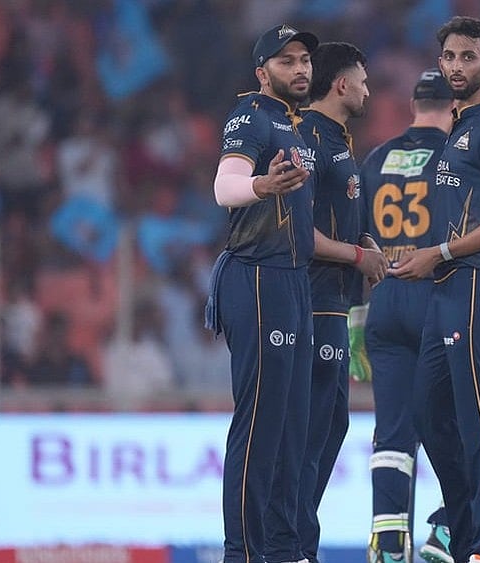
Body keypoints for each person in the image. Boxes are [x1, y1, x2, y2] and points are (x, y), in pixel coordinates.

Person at [390, 16, 480, 563]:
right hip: (448, 285)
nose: (455, 66)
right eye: (448, 56)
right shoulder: (459, 125)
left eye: (467, 57)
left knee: (477, 417)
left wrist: (441, 254)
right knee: (427, 412)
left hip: (479, 282)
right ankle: (463, 525)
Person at [204, 23, 319, 563]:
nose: (300, 69)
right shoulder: (251, 113)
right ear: (262, 71)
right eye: (287, 61)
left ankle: (280, 549)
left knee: (293, 424)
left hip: (292, 279)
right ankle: (242, 553)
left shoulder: (294, 125)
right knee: (260, 421)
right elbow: (225, 187)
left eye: (304, 60)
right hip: (257, 277)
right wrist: (261, 186)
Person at [292, 41, 388, 563]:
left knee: (331, 426)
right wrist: (355, 255)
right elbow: (299, 233)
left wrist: (364, 246)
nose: (370, 89)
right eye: (364, 78)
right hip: (309, 304)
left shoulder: (336, 141)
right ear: (342, 84)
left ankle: (299, 542)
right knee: (310, 430)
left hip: (335, 305)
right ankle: (293, 547)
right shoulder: (307, 138)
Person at [360, 68, 457, 563]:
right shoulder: (455, 155)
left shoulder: (378, 159)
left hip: (385, 299)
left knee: (392, 432)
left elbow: (359, 236)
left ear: (415, 105)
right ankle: (444, 530)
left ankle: (388, 540)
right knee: (459, 421)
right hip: (435, 299)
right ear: (454, 106)